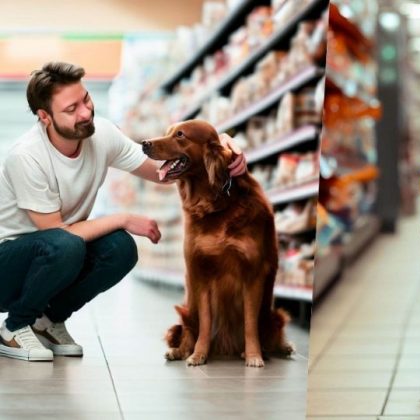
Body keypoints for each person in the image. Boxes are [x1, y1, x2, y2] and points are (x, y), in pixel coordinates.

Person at [0, 62, 247, 362]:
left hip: (53, 254)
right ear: (44, 117)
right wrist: (124, 218)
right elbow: (55, 233)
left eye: (86, 99)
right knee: (67, 244)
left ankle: (47, 321)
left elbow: (163, 171)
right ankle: (14, 326)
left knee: (120, 249)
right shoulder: (26, 157)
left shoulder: (100, 133)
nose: (85, 113)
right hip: (8, 264)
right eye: (71, 109)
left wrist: (218, 147)